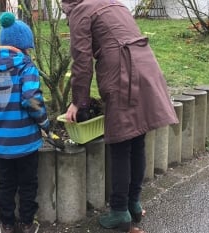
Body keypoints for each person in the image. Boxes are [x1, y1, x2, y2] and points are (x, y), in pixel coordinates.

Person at [61, 0, 179, 232]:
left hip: (123, 73)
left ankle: (119, 212)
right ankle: (133, 204)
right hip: (146, 66)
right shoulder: (115, 3)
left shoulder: (81, 10)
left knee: (120, 142)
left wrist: (78, 102)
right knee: (137, 139)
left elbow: (82, 61)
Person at [0, 12, 49, 233]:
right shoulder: (26, 67)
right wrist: (45, 123)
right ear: (23, 46)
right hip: (25, 141)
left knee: (6, 184)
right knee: (28, 184)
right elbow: (32, 100)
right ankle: (28, 223)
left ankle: (7, 224)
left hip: (2, 141)